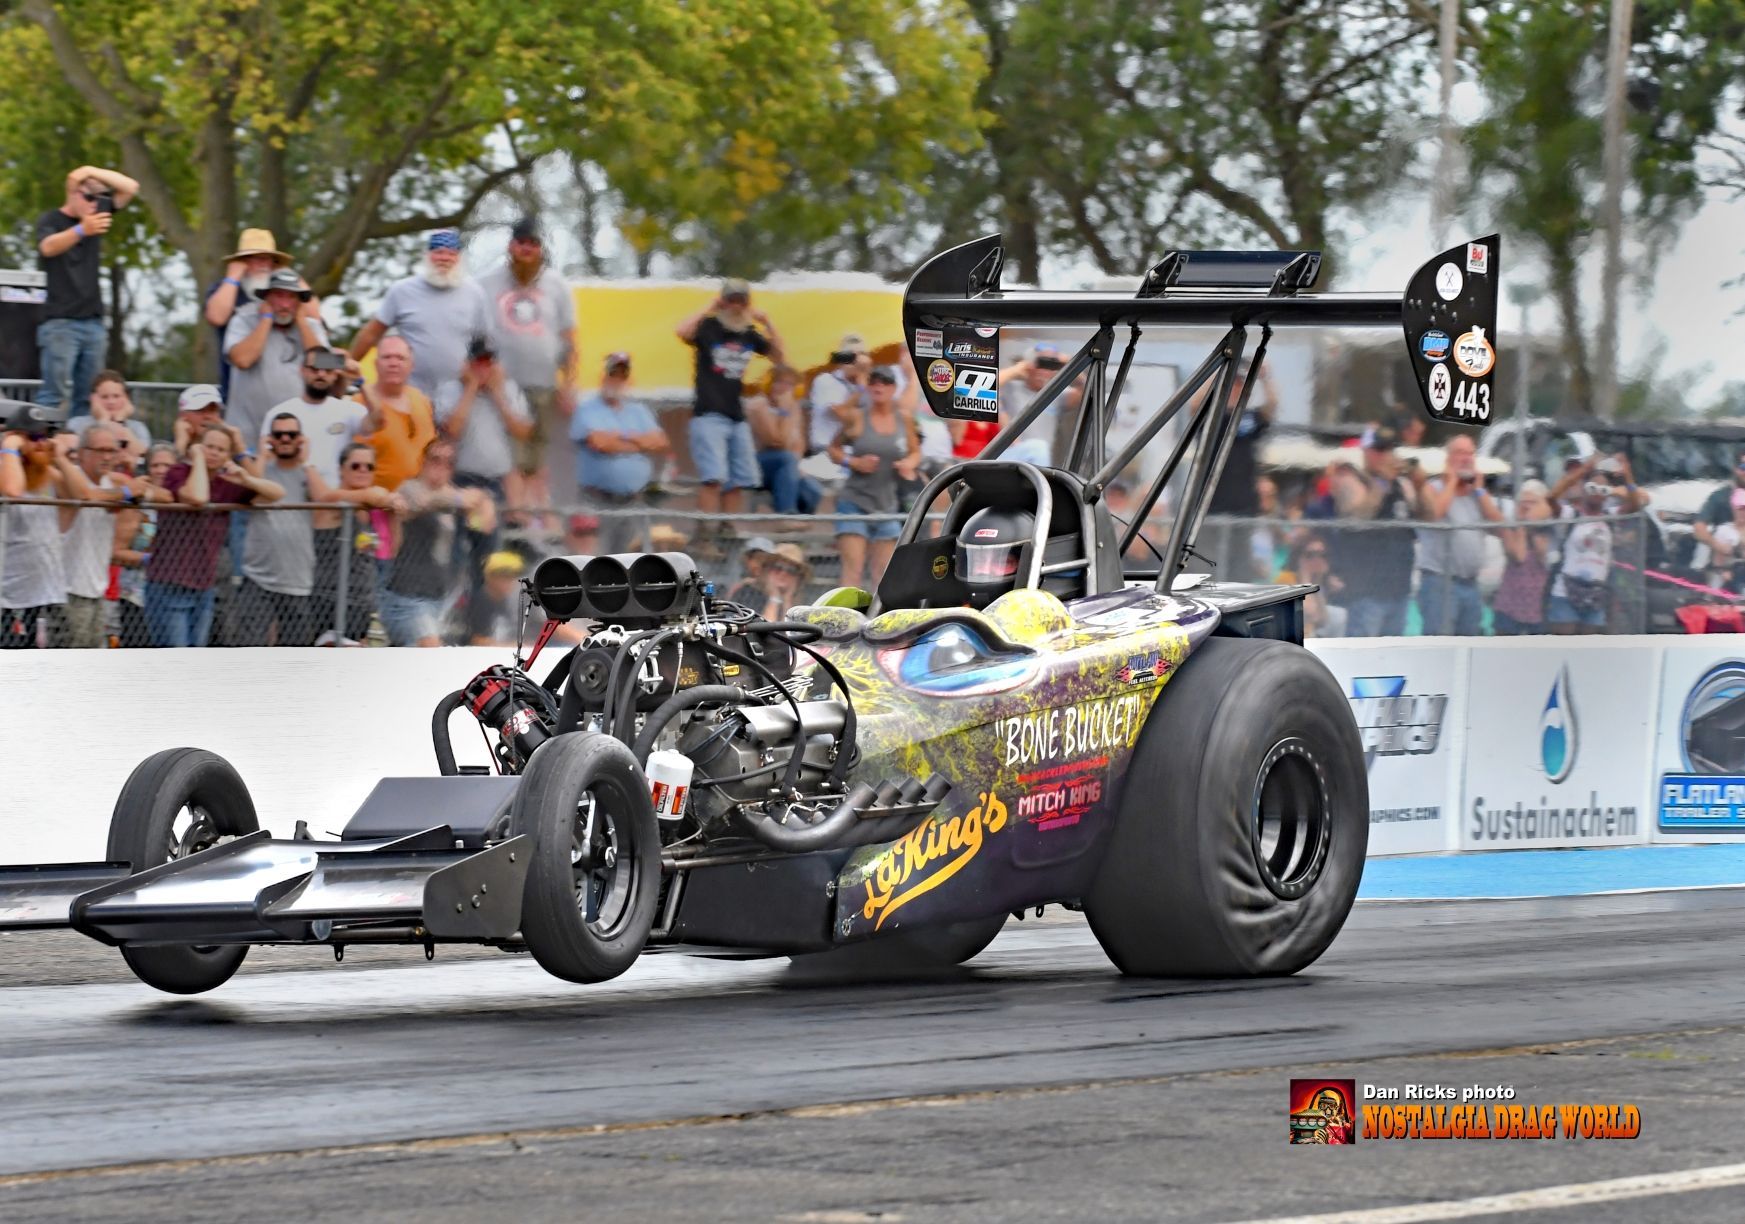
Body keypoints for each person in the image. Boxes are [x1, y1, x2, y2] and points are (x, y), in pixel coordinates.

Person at [143, 425, 284, 647]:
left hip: (204, 586)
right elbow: (198, 497)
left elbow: (276, 494)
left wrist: (246, 480)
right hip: (168, 583)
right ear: (198, 446)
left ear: (228, 455)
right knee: (175, 657)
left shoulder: (227, 485)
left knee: (196, 654)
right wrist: (198, 458)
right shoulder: (178, 473)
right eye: (209, 446)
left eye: (221, 449)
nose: (214, 453)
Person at [480, 217, 578, 520]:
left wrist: (569, 383)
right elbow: (476, 335)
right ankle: (517, 521)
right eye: (521, 242)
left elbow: (570, 339)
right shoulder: (486, 283)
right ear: (511, 246)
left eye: (533, 244)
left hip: (545, 384)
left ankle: (539, 522)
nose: (527, 249)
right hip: (505, 385)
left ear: (541, 249)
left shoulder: (557, 285)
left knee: (538, 457)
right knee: (512, 456)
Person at [34, 165, 140, 416]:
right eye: (89, 197)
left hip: (93, 323)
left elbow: (131, 187)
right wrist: (82, 229)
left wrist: (92, 171)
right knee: (53, 394)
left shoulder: (96, 214)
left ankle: (80, 439)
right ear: (73, 193)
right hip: (60, 322)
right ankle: (42, 438)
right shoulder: (51, 219)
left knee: (88, 397)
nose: (95, 205)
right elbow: (47, 247)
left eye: (100, 199)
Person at [675, 279, 784, 518]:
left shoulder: (748, 333)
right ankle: (706, 530)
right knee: (713, 478)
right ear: (723, 302)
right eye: (731, 300)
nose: (736, 306)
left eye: (741, 301)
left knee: (738, 480)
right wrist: (709, 307)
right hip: (708, 413)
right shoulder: (708, 327)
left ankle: (729, 529)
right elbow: (681, 331)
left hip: (736, 415)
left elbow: (779, 356)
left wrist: (767, 322)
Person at [349, 229, 492, 401]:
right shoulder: (402, 290)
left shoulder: (475, 293)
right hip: (408, 392)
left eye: (451, 254)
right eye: (438, 252)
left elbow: (484, 342)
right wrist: (348, 364)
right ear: (427, 255)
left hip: (458, 396)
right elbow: (372, 333)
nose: (444, 258)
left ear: (459, 258)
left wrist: (480, 382)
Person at [380, 439, 495, 647]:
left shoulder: (453, 495)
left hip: (439, 597)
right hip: (407, 597)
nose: (441, 467)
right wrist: (460, 499)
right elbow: (423, 503)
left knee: (419, 658)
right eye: (435, 459)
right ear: (423, 462)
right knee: (431, 649)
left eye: (449, 463)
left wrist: (483, 500)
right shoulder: (408, 489)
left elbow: (483, 525)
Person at [0, 425, 107, 649]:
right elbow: (12, 490)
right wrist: (10, 448)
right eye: (33, 437)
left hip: (47, 592)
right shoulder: (7, 469)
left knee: (48, 662)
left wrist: (59, 458)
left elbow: (82, 495)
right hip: (10, 594)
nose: (41, 443)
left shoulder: (48, 474)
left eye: (45, 437)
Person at [61, 423, 162, 648]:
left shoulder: (113, 481)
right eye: (101, 450)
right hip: (69, 589)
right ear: (83, 452)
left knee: (96, 655)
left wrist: (139, 491)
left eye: (112, 451)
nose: (107, 457)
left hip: (98, 590)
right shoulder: (72, 477)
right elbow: (87, 495)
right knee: (70, 657)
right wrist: (126, 492)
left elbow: (165, 496)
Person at [828, 366, 921, 592]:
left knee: (884, 575)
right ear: (868, 387)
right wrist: (853, 462)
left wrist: (909, 463)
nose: (879, 386)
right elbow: (833, 449)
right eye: (874, 382)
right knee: (853, 571)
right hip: (854, 502)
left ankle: (878, 614)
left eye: (885, 382)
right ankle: (845, 614)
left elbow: (916, 451)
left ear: (894, 388)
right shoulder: (857, 417)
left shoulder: (904, 419)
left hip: (886, 505)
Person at [234, 412, 320, 646]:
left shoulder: (310, 473)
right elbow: (250, 490)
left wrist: (306, 461)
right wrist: (262, 456)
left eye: (291, 434)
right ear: (270, 438)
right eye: (278, 434)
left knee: (294, 655)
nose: (285, 439)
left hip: (297, 579)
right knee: (249, 648)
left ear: (300, 438)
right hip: (257, 577)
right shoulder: (261, 472)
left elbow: (322, 499)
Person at [1325, 425, 1418, 637]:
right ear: (1366, 452)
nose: (1385, 456)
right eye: (1379, 450)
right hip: (1366, 591)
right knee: (1363, 651)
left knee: (1392, 651)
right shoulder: (1351, 481)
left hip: (1399, 588)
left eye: (1389, 449)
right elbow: (1359, 519)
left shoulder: (1401, 485)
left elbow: (1426, 515)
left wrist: (1419, 482)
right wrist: (1381, 483)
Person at [569, 351, 665, 552]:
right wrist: (639, 442)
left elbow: (659, 442)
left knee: (626, 559)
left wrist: (620, 437)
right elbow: (600, 443)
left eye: (622, 376)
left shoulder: (639, 410)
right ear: (603, 377)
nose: (617, 381)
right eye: (613, 375)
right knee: (591, 559)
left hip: (632, 501)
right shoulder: (587, 409)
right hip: (596, 501)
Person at [224, 266, 330, 443]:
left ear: (300, 302)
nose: (285, 304)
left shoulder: (312, 327)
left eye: (291, 297)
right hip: (248, 436)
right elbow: (242, 360)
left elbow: (324, 366)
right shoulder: (243, 320)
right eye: (279, 296)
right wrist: (265, 320)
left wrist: (302, 322)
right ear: (266, 297)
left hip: (296, 437)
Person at [307, 441, 397, 645]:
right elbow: (375, 494)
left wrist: (394, 515)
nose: (363, 470)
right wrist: (388, 498)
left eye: (369, 467)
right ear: (341, 470)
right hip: (330, 602)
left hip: (362, 603)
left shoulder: (370, 509)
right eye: (356, 466)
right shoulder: (336, 501)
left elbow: (393, 548)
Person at [1413, 434, 1503, 636]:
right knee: (1440, 643)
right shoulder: (1432, 488)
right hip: (1440, 583)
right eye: (1461, 453)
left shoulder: (1477, 495)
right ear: (1448, 459)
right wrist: (1452, 481)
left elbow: (1501, 526)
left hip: (1470, 584)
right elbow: (1434, 515)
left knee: (1469, 642)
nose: (1467, 458)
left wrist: (1480, 491)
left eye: (1471, 453)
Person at [1204, 367, 1278, 582]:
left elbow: (1271, 408)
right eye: (1232, 385)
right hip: (1212, 502)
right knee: (1209, 562)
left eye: (1240, 386)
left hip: (1244, 503)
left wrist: (1265, 377)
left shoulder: (1250, 418)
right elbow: (1194, 406)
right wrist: (1218, 370)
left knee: (1240, 563)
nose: (1236, 390)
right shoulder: (1212, 416)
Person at [203, 229, 294, 397]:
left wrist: (288, 275)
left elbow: (314, 315)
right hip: (238, 390)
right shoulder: (224, 289)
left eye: (269, 259)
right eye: (256, 258)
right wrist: (233, 277)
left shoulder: (284, 294)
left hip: (283, 391)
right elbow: (216, 317)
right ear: (242, 262)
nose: (264, 265)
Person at [261, 346, 368, 484]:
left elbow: (378, 421)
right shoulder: (277, 413)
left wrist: (360, 380)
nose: (321, 374)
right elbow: (267, 460)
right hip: (294, 492)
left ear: (335, 373)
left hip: (337, 493)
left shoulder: (350, 410)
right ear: (302, 370)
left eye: (327, 369)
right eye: (314, 369)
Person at [111, 443, 179, 647]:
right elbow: (115, 553)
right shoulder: (136, 504)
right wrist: (153, 559)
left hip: (176, 595)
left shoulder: (184, 500)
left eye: (167, 465)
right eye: (155, 465)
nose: (161, 470)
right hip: (137, 597)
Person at [1545, 471, 1618, 635]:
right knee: (1564, 642)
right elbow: (1551, 498)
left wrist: (1620, 483)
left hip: (1596, 593)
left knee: (1588, 645)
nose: (1597, 492)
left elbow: (1639, 501)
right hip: (1566, 591)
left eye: (1602, 489)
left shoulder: (1611, 517)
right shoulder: (1571, 515)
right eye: (1592, 487)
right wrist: (1584, 469)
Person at [744, 365, 820, 514]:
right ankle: (786, 513)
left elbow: (799, 445)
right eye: (779, 382)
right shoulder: (758, 405)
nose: (784, 388)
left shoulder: (794, 408)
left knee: (813, 490)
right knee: (786, 458)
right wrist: (784, 412)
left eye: (790, 384)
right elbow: (776, 441)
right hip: (756, 465)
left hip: (787, 466)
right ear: (769, 383)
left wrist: (796, 467)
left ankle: (799, 523)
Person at [1492, 479, 1555, 635]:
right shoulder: (1511, 527)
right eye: (1524, 502)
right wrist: (1522, 523)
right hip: (1510, 601)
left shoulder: (1549, 529)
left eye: (1533, 503)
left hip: (1538, 603)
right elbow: (1519, 556)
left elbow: (1543, 555)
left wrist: (1534, 525)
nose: (1527, 507)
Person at [996, 343, 1067, 466]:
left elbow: (1088, 390)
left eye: (1050, 366)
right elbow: (986, 385)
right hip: (1012, 455)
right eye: (1041, 364)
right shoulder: (1011, 388)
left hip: (1039, 462)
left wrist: (1069, 363)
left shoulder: (1058, 394)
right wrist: (1020, 367)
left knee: (1039, 449)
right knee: (1037, 448)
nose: (1044, 371)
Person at [806, 334, 870, 456]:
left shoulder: (869, 383)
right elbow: (840, 413)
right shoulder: (826, 380)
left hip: (858, 452)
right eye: (851, 356)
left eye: (860, 356)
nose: (856, 362)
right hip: (826, 451)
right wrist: (860, 389)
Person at [68, 371, 153, 463]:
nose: (111, 402)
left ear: (126, 398)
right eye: (104, 397)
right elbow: (80, 456)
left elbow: (143, 457)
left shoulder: (138, 427)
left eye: (116, 396)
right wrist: (103, 420)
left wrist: (119, 421)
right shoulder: (76, 424)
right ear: (92, 398)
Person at [1277, 534, 1346, 638]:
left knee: (1340, 614)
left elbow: (1321, 620)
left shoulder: (1315, 581)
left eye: (1323, 555)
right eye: (1310, 555)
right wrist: (1305, 576)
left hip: (1308, 636)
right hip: (1288, 638)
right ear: (1298, 557)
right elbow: (1310, 614)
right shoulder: (1286, 579)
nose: (1317, 559)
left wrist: (1318, 581)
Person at [466, 552, 529, 646]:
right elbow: (475, 640)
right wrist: (510, 646)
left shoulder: (512, 603)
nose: (509, 582)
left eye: (513, 577)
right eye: (503, 576)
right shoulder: (477, 602)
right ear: (489, 577)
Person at [1693, 447, 1745, 561]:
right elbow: (1699, 528)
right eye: (1744, 467)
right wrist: (1719, 547)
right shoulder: (1720, 497)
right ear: (1735, 469)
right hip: (1724, 561)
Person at [750, 542, 811, 622]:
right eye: (778, 567)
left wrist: (788, 599)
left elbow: (791, 629)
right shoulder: (750, 593)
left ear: (798, 578)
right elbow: (766, 627)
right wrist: (774, 597)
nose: (783, 573)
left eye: (791, 570)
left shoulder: (804, 606)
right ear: (767, 570)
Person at [725, 536, 775, 604]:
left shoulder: (776, 583)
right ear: (746, 560)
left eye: (765, 561)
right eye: (757, 558)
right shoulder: (741, 588)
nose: (760, 564)